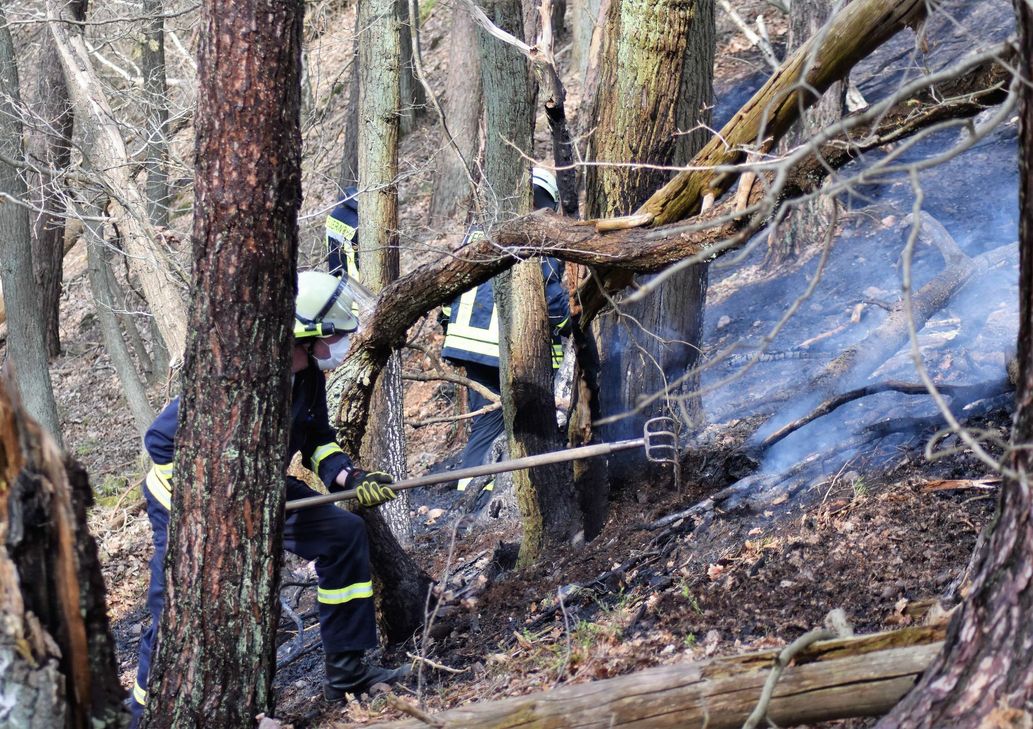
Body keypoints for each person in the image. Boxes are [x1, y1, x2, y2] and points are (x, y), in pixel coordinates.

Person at [129, 271, 407, 728]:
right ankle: (141, 715)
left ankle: (347, 671)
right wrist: (212, 503)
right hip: (188, 503)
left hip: (263, 491)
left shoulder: (309, 378)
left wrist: (351, 478)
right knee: (175, 604)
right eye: (335, 335)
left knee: (343, 534)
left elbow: (318, 442)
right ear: (307, 335)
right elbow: (159, 442)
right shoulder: (237, 374)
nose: (340, 344)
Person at [439, 167, 571, 493]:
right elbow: (551, 297)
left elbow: (448, 286)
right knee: (506, 424)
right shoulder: (537, 233)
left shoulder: (480, 229)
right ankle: (475, 497)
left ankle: (475, 491)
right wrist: (571, 324)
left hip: (467, 344)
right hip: (502, 347)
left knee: (484, 423)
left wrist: (448, 326)